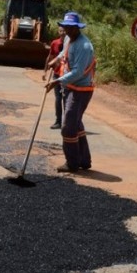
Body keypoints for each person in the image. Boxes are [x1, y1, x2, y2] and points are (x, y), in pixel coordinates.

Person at [46, 12, 96, 173]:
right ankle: (84, 160)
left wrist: (57, 81)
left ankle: (72, 163)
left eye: (70, 27)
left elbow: (78, 72)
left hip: (80, 90)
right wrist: (56, 60)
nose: (67, 30)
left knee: (68, 127)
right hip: (69, 88)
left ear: (77, 28)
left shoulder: (84, 46)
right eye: (65, 27)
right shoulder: (68, 39)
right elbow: (64, 53)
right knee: (76, 123)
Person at [43, 25, 66, 129]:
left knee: (66, 99)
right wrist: (45, 71)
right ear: (58, 32)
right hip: (57, 75)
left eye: (64, 31)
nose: (63, 33)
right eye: (61, 31)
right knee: (58, 99)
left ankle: (67, 122)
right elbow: (50, 57)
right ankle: (58, 121)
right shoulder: (54, 43)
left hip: (67, 76)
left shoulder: (70, 44)